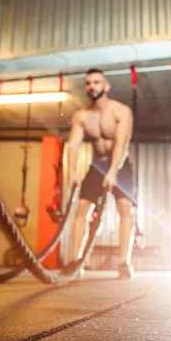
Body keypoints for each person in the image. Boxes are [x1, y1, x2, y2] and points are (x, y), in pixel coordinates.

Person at [61, 68, 137, 279]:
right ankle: (75, 263)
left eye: (96, 82)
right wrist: (72, 172)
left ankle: (124, 263)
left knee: (125, 207)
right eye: (88, 83)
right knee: (82, 209)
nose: (91, 86)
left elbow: (121, 144)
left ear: (106, 86)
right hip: (97, 164)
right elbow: (73, 145)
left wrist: (113, 172)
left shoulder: (120, 111)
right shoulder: (82, 116)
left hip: (120, 165)